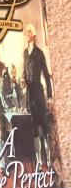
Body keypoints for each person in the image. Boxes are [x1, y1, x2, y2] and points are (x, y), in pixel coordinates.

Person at [23, 23, 53, 166]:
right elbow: (24, 72)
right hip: (29, 95)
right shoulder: (24, 53)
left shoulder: (39, 53)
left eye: (29, 32)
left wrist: (50, 96)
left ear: (34, 35)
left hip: (39, 94)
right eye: (26, 32)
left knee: (43, 127)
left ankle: (49, 158)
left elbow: (46, 76)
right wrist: (23, 82)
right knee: (34, 129)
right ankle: (40, 161)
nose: (27, 35)